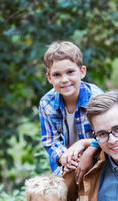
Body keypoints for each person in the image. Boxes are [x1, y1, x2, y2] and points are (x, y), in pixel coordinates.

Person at [39, 41, 102, 175]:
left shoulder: (96, 99)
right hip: (66, 163)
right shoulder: (46, 104)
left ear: (82, 71)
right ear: (49, 78)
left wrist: (86, 151)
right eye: (57, 75)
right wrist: (64, 158)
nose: (64, 79)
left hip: (97, 159)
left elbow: (106, 136)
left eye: (70, 72)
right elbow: (51, 141)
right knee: (56, 192)